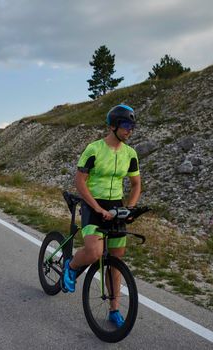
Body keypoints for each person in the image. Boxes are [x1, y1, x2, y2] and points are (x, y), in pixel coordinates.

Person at [61, 104, 141, 328]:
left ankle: (114, 310)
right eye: (126, 126)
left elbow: (136, 185)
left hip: (116, 206)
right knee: (95, 251)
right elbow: (80, 181)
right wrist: (96, 207)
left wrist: (131, 208)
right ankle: (71, 266)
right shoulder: (94, 149)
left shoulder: (130, 154)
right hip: (92, 204)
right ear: (113, 126)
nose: (130, 131)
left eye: (132, 127)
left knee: (115, 260)